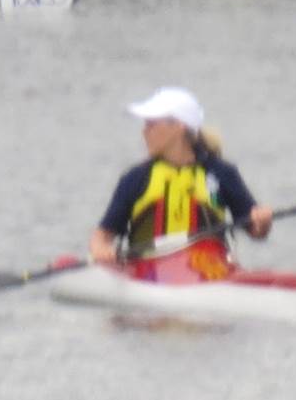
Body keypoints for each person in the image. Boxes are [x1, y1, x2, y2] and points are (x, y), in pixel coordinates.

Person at [90, 87, 273, 279]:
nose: (144, 131)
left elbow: (256, 230)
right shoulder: (135, 178)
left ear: (179, 126)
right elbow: (102, 236)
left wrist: (263, 220)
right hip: (147, 273)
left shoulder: (221, 173)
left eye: (152, 124)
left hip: (208, 274)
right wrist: (102, 250)